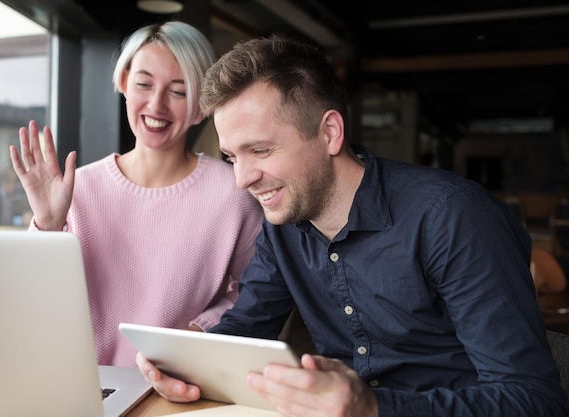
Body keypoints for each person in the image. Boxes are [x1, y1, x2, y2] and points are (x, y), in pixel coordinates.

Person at [135, 35, 569, 417]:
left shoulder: (454, 217)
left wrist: (373, 408)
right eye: (232, 156)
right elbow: (243, 331)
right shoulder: (283, 223)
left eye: (261, 150)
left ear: (329, 132)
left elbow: (533, 399)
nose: (242, 178)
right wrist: (181, 366)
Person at [9, 21, 263, 367]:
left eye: (178, 91)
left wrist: (198, 333)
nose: (156, 105)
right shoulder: (77, 189)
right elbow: (27, 302)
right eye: (144, 84)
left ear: (202, 104)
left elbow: (257, 294)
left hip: (181, 386)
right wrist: (47, 224)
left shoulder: (232, 195)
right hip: (83, 385)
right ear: (125, 82)